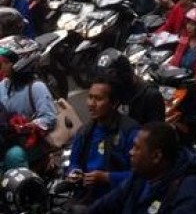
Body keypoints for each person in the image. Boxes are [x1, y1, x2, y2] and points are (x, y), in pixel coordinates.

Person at [86, 122, 196, 214]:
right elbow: (106, 204)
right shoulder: (139, 177)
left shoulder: (188, 190)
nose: (131, 152)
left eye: (137, 148)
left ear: (156, 156)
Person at [66, 75, 140, 204]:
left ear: (114, 103)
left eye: (98, 99)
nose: (91, 104)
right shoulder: (85, 131)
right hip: (87, 196)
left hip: (117, 200)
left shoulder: (130, 132)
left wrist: (107, 177)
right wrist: (74, 172)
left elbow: (140, 176)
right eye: (90, 97)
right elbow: (74, 162)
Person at [0, 38, 56, 171]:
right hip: (7, 141)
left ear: (20, 63)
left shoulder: (36, 87)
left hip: (31, 144)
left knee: (14, 156)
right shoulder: (2, 86)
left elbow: (49, 118)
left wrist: (26, 126)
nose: (1, 66)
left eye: (5, 62)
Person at [96, 49, 165, 126]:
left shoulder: (150, 96)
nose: (106, 85)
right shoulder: (114, 93)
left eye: (110, 82)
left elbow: (155, 133)